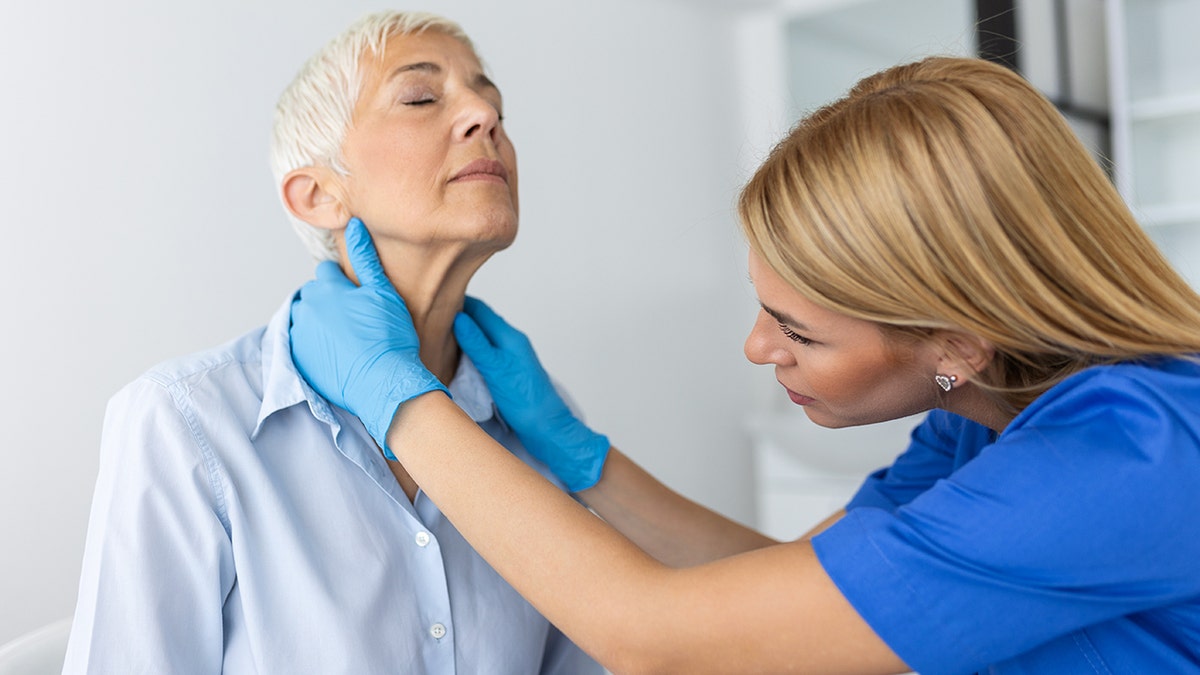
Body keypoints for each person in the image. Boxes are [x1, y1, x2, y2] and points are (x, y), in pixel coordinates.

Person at [288, 56, 1200, 674]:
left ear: (956, 347)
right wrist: (579, 456)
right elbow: (802, 592)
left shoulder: (1134, 458)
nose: (759, 348)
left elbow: (660, 639)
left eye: (796, 330)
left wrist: (400, 400)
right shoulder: (979, 416)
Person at [62, 10, 599, 674]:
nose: (483, 118)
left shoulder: (537, 422)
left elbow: (624, 639)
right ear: (316, 195)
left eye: (496, 107)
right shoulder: (184, 422)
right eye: (421, 97)